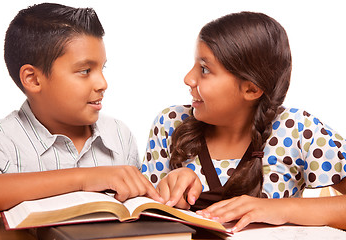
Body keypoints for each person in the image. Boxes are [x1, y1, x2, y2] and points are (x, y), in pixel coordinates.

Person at [141, 11, 346, 232]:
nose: (188, 78)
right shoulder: (170, 123)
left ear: (251, 89)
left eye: (204, 69)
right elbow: (140, 214)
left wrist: (279, 209)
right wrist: (168, 190)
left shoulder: (296, 130)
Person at [0, 3, 162, 217]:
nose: (102, 83)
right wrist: (84, 178)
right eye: (85, 71)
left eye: (101, 68)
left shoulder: (119, 136)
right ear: (33, 79)